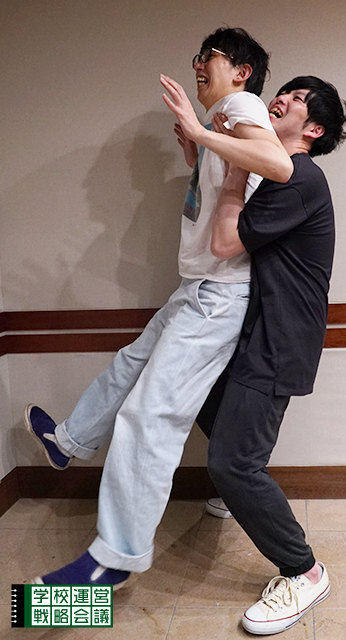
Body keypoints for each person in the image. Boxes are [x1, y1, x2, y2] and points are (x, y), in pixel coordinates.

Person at [24, 26, 293, 588]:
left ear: (241, 71)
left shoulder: (240, 105)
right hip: (195, 287)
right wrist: (198, 148)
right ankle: (67, 443)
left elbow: (278, 164)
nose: (198, 65)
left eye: (209, 57)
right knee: (129, 364)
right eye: (198, 56)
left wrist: (199, 131)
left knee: (150, 415)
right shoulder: (223, 122)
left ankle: (115, 559)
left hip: (217, 295)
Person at [194, 75, 346, 634]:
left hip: (279, 340)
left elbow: (224, 242)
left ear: (313, 130)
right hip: (254, 329)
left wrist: (233, 162)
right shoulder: (278, 176)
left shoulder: (300, 177)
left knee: (233, 464)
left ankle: (304, 571)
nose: (280, 97)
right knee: (197, 401)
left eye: (298, 99)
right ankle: (240, 494)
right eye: (284, 89)